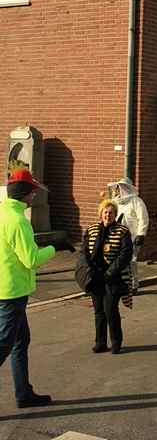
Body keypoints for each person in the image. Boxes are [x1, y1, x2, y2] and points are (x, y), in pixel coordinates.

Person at [0, 168, 56, 408]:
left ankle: (24, 393)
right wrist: (55, 247)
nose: (34, 195)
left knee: (20, 341)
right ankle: (23, 393)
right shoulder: (18, 221)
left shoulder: (2, 213)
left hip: (6, 288)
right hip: (12, 292)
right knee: (4, 344)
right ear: (23, 193)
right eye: (32, 191)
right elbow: (31, 259)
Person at [79, 199, 133, 354]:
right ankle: (100, 342)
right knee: (98, 311)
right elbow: (84, 252)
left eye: (111, 213)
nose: (108, 215)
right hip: (95, 277)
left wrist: (110, 272)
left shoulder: (122, 231)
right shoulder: (91, 230)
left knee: (110, 310)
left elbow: (126, 254)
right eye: (105, 212)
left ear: (115, 215)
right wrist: (89, 268)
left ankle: (116, 342)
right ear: (100, 214)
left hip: (113, 277)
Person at [108, 177, 149, 293]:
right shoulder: (115, 202)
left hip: (133, 237)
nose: (117, 191)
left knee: (131, 261)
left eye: (119, 188)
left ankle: (134, 285)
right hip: (117, 237)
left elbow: (143, 218)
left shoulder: (136, 201)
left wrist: (141, 234)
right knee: (118, 261)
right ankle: (121, 283)